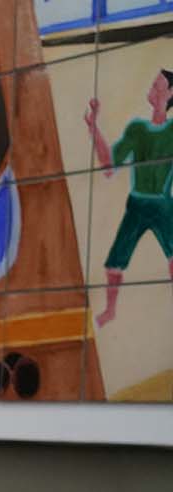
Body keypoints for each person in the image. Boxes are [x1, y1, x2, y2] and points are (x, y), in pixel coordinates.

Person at [86, 70, 173, 329]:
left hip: (162, 204)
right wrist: (93, 126)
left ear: (170, 94)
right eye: (152, 83)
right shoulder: (136, 128)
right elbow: (109, 165)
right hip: (136, 203)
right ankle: (110, 311)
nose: (152, 88)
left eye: (158, 86)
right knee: (115, 261)